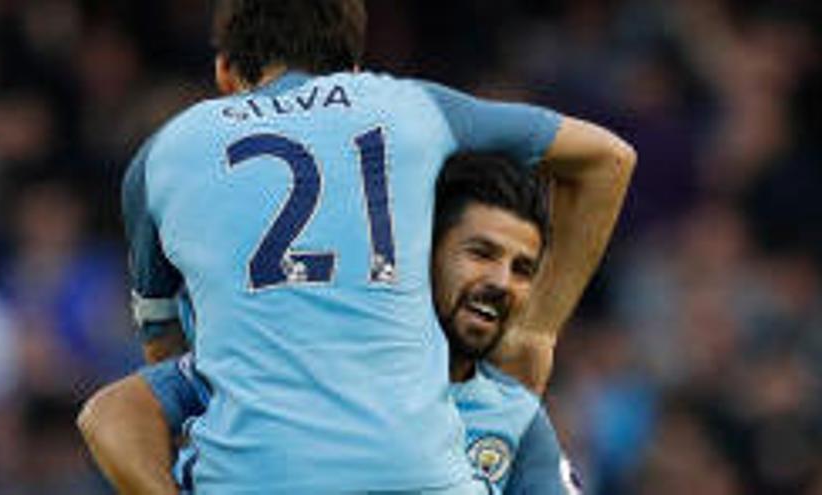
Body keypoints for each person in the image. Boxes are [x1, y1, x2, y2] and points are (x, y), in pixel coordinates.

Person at [120, 0, 635, 492]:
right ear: (353, 66)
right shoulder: (409, 105)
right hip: (419, 474)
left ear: (225, 73)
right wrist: (536, 332)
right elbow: (609, 159)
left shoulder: (161, 155)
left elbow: (163, 356)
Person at [80, 153, 582, 494]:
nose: (501, 282)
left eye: (522, 269)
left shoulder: (515, 418)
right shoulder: (299, 355)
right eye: (480, 253)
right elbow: (112, 415)